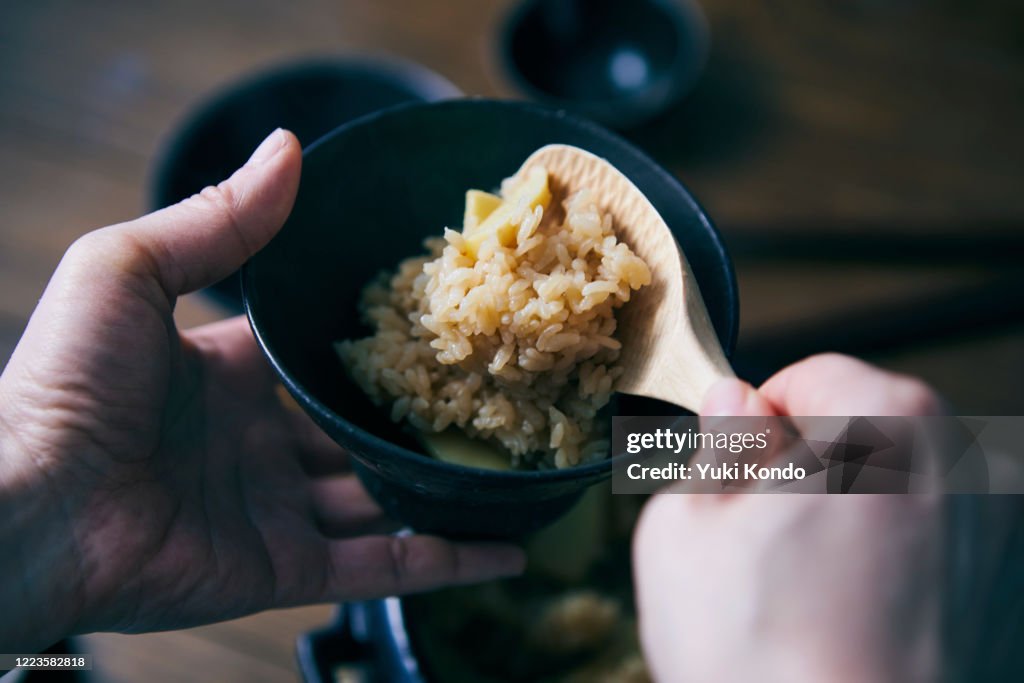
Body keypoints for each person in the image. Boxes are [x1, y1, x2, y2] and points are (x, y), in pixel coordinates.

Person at [0, 130, 1014, 678]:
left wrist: (49, 525)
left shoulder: (647, 433)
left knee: (956, 462)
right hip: (602, 458)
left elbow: (918, 462)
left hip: (624, 448)